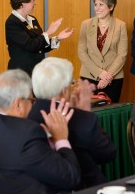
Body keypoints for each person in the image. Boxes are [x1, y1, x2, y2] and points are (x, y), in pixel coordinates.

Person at [28, 57, 116, 190]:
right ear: (64, 90)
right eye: (72, 83)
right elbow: (108, 153)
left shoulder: (27, 117)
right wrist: (85, 111)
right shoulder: (81, 118)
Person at [0, 69, 80, 193]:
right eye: (31, 100)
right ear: (18, 103)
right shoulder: (27, 133)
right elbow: (70, 178)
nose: (33, 106)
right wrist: (60, 139)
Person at [5, 0, 74, 76]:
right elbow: (30, 45)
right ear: (23, 4)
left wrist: (58, 38)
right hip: (21, 74)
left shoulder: (32, 20)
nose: (35, 3)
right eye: (32, 0)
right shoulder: (12, 22)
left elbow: (39, 45)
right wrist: (49, 32)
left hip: (37, 72)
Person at [78, 0, 128, 102]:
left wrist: (108, 76)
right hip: (89, 77)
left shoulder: (121, 25)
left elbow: (122, 55)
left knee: (110, 114)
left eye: (101, 5)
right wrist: (100, 73)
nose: (97, 8)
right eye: (95, 4)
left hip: (113, 78)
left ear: (111, 7)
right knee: (88, 114)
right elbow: (82, 52)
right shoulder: (86, 24)